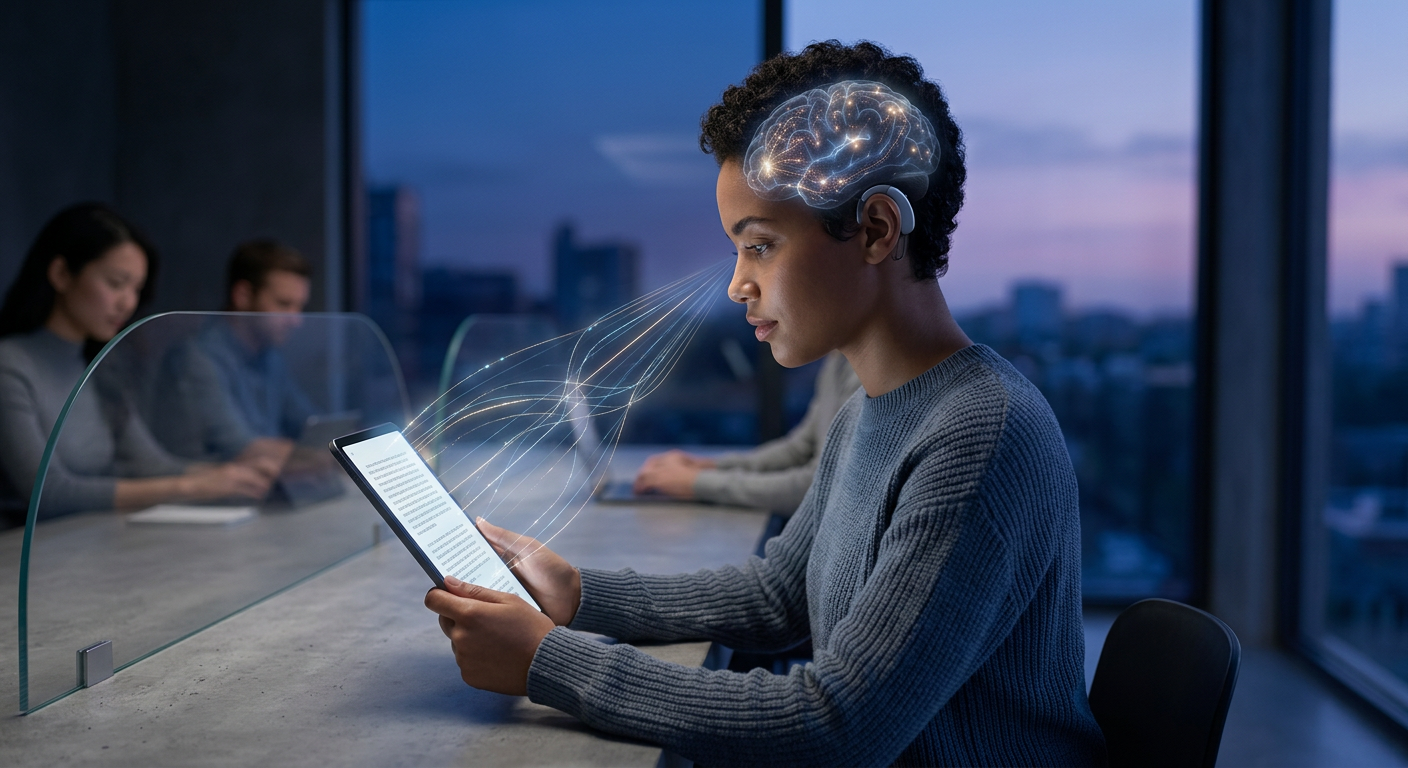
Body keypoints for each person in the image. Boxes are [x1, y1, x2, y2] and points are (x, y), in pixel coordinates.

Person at [423, 41, 1106, 766]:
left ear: (876, 229)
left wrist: (549, 663)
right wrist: (578, 591)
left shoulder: (982, 432)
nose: (737, 285)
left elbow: (838, 727)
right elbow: (781, 595)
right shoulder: (868, 410)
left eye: (762, 246)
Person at [0, 204, 276, 525]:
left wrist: (234, 474)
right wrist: (191, 487)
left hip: (88, 543)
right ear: (61, 274)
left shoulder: (98, 366)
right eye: (116, 283)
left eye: (136, 289)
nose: (127, 303)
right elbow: (48, 493)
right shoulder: (10, 365)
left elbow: (150, 464)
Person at [632, 350, 860, 514]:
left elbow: (818, 487)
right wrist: (710, 466)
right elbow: (798, 449)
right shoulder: (837, 357)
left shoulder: (862, 374)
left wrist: (698, 483)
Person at [150, 239, 316, 461]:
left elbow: (306, 421)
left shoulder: (269, 356)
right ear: (243, 296)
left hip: (263, 486)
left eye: (300, 307)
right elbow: (240, 447)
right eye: (284, 304)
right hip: (209, 491)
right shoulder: (197, 358)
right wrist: (323, 455)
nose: (296, 321)